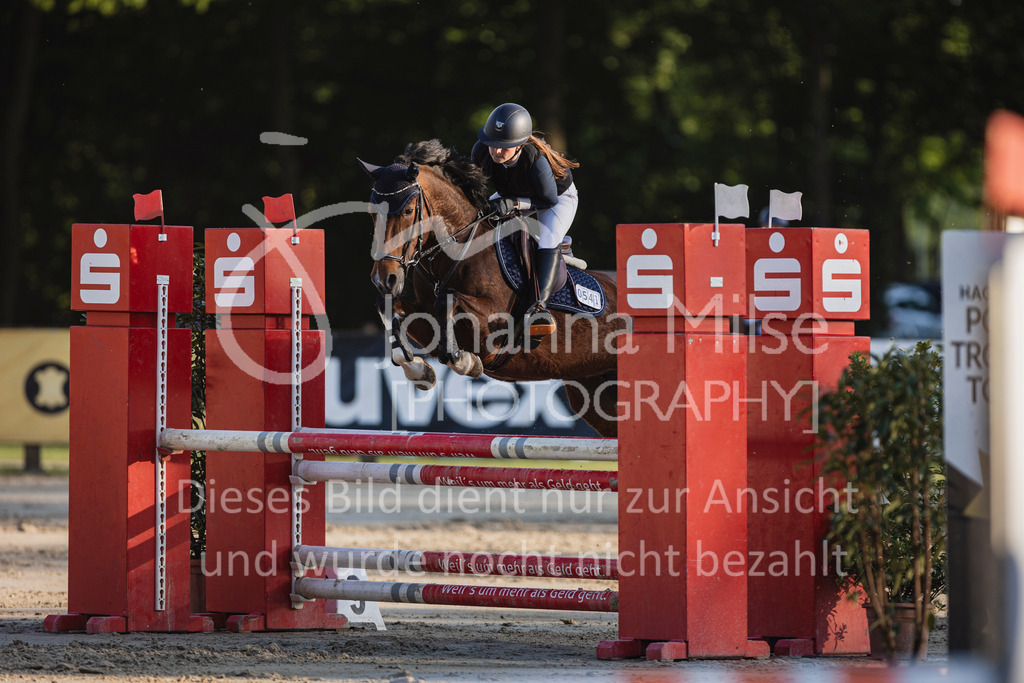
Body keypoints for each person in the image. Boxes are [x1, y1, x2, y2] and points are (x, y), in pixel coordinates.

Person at [471, 102, 579, 338]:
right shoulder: (482, 149)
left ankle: (538, 307)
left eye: (504, 147)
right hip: (515, 191)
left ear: (519, 145)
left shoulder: (534, 159)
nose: (496, 151)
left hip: (556, 198)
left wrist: (516, 204)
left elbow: (547, 199)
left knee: (548, 239)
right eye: (493, 144)